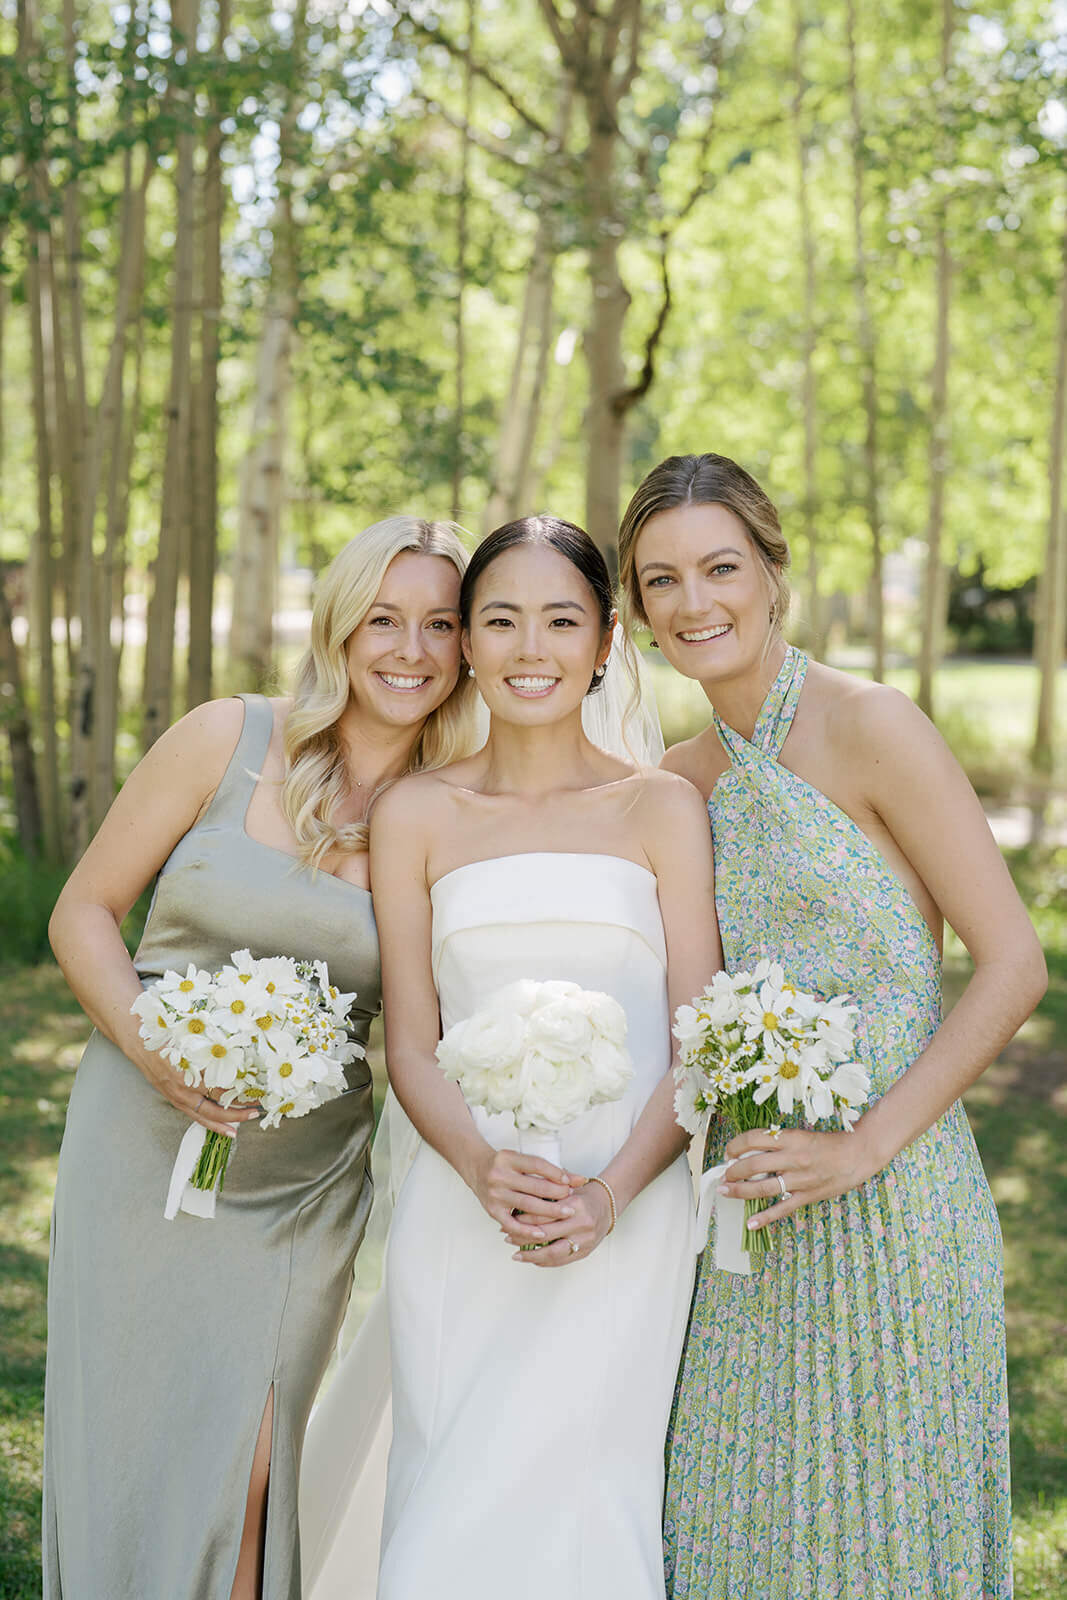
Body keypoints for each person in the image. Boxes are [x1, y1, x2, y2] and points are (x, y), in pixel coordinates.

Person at [616, 452, 1047, 1600]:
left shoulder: (872, 727)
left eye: (719, 567)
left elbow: (1010, 963)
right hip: (748, 1225)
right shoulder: (676, 781)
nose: (694, 601)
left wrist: (861, 1145)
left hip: (895, 1202)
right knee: (734, 1525)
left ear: (771, 576)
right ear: (637, 611)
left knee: (885, 1536)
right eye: (661, 580)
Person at [44, 517, 480, 1600]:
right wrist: (153, 1049)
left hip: (299, 1184)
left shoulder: (452, 809)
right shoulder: (226, 736)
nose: (410, 650)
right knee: (129, 1442)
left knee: (251, 1463)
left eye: (439, 624)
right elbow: (85, 913)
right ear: (340, 622)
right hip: (135, 1147)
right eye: (385, 618)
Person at [364, 515, 720, 1599]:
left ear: (606, 640)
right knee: (451, 1495)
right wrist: (477, 1166)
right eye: (500, 619)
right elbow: (409, 1042)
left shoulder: (659, 805)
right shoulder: (417, 810)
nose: (531, 647)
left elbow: (699, 1037)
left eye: (561, 619)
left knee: (584, 1499)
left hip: (627, 1210)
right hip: (464, 1207)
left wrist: (609, 1196)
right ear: (464, 642)